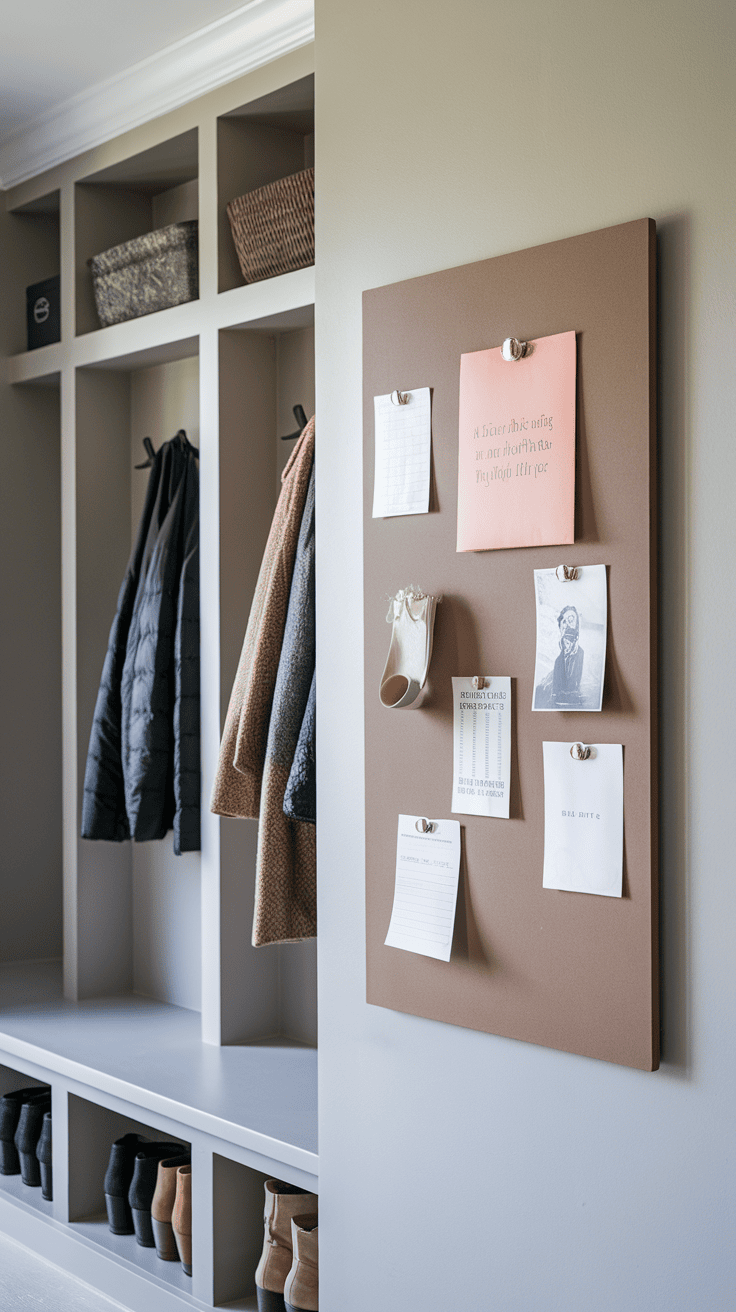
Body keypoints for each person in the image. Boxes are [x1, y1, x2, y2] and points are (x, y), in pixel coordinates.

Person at [551, 605, 584, 707]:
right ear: (560, 627)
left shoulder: (581, 654)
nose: (567, 625)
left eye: (571, 620)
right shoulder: (557, 660)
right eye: (564, 622)